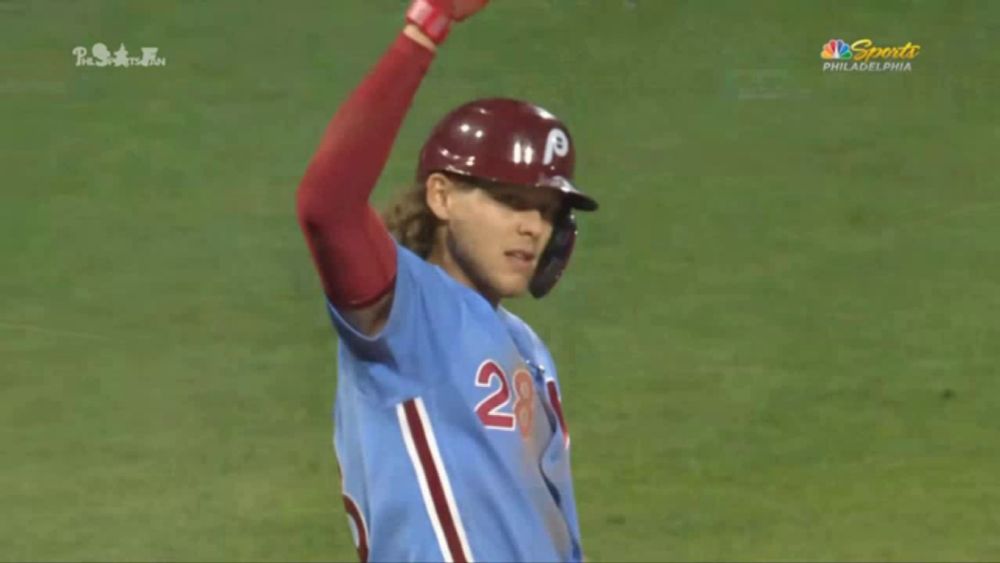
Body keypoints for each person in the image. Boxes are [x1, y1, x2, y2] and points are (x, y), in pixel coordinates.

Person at [296, 0, 598, 560]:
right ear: (441, 196)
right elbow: (327, 206)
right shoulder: (404, 311)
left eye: (547, 210)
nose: (533, 226)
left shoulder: (529, 349)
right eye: (509, 200)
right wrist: (426, 26)